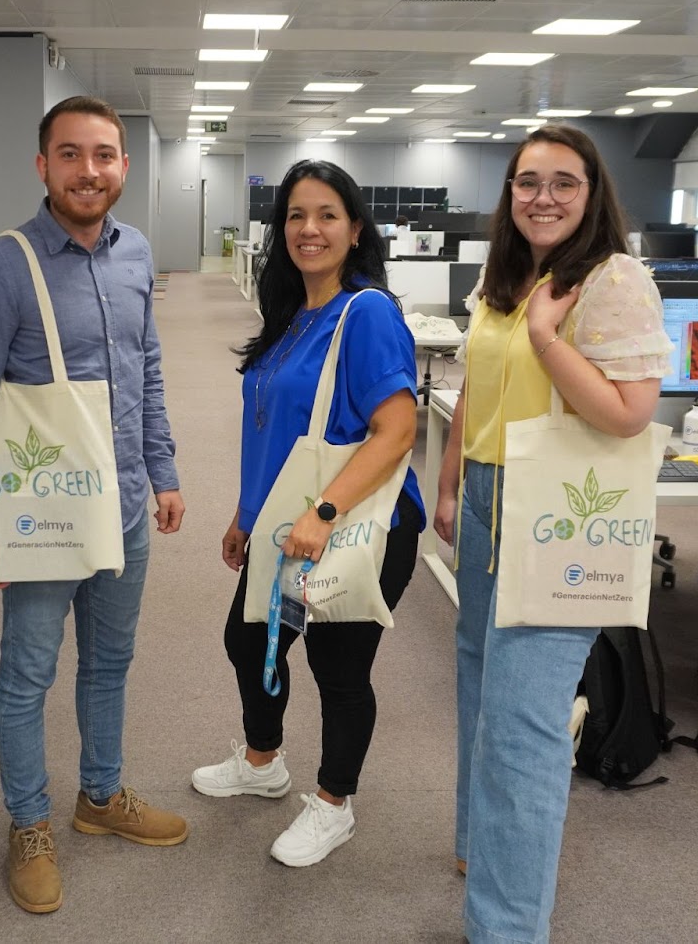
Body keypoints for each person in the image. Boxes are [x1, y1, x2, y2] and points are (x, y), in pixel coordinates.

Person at [0, 95, 187, 915]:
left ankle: (100, 795)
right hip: (43, 513)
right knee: (27, 675)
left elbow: (146, 368)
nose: (91, 171)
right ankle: (28, 823)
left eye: (106, 155)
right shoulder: (3, 266)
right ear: (42, 165)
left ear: (124, 165)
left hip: (121, 505)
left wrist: (163, 470)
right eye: (73, 155)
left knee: (110, 663)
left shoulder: (135, 254)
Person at [432, 124, 672, 944]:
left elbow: (629, 414)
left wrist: (543, 336)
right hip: (489, 500)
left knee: (523, 728)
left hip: (558, 511)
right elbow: (475, 382)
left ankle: (506, 929)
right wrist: (452, 477)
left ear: (591, 191)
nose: (542, 197)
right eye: (527, 181)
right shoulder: (510, 273)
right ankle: (479, 848)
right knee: (478, 686)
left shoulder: (612, 280)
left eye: (563, 182)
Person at [192, 159, 422, 868]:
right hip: (285, 524)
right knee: (246, 640)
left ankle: (333, 804)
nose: (309, 229)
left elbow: (397, 428)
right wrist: (245, 511)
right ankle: (264, 763)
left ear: (356, 229)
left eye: (326, 214)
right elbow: (275, 428)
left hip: (350, 525)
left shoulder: (367, 311)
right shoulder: (293, 314)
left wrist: (324, 511)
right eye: (295, 215)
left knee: (338, 668)